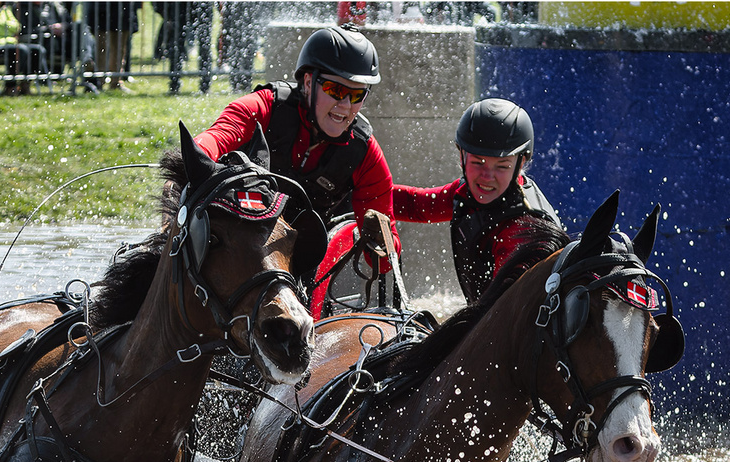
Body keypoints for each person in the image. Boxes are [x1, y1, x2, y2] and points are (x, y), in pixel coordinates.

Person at [193, 23, 400, 297]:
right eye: (335, 91)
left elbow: (386, 262)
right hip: (233, 246)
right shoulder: (265, 106)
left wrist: (380, 243)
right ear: (307, 82)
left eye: (357, 94)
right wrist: (192, 161)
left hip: (300, 269)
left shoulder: (366, 155)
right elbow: (214, 139)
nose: (346, 105)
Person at [391, 97, 561, 304]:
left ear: (521, 162)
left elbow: (500, 308)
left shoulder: (523, 230)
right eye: (478, 162)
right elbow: (417, 206)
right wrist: (364, 193)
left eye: (502, 166)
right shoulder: (466, 192)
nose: (487, 177)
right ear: (461, 156)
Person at [0, 1, 45, 92]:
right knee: (19, 50)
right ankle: (10, 86)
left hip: (11, 44)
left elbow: (17, 27)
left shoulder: (6, 9)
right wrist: (6, 28)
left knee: (37, 50)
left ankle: (25, 83)